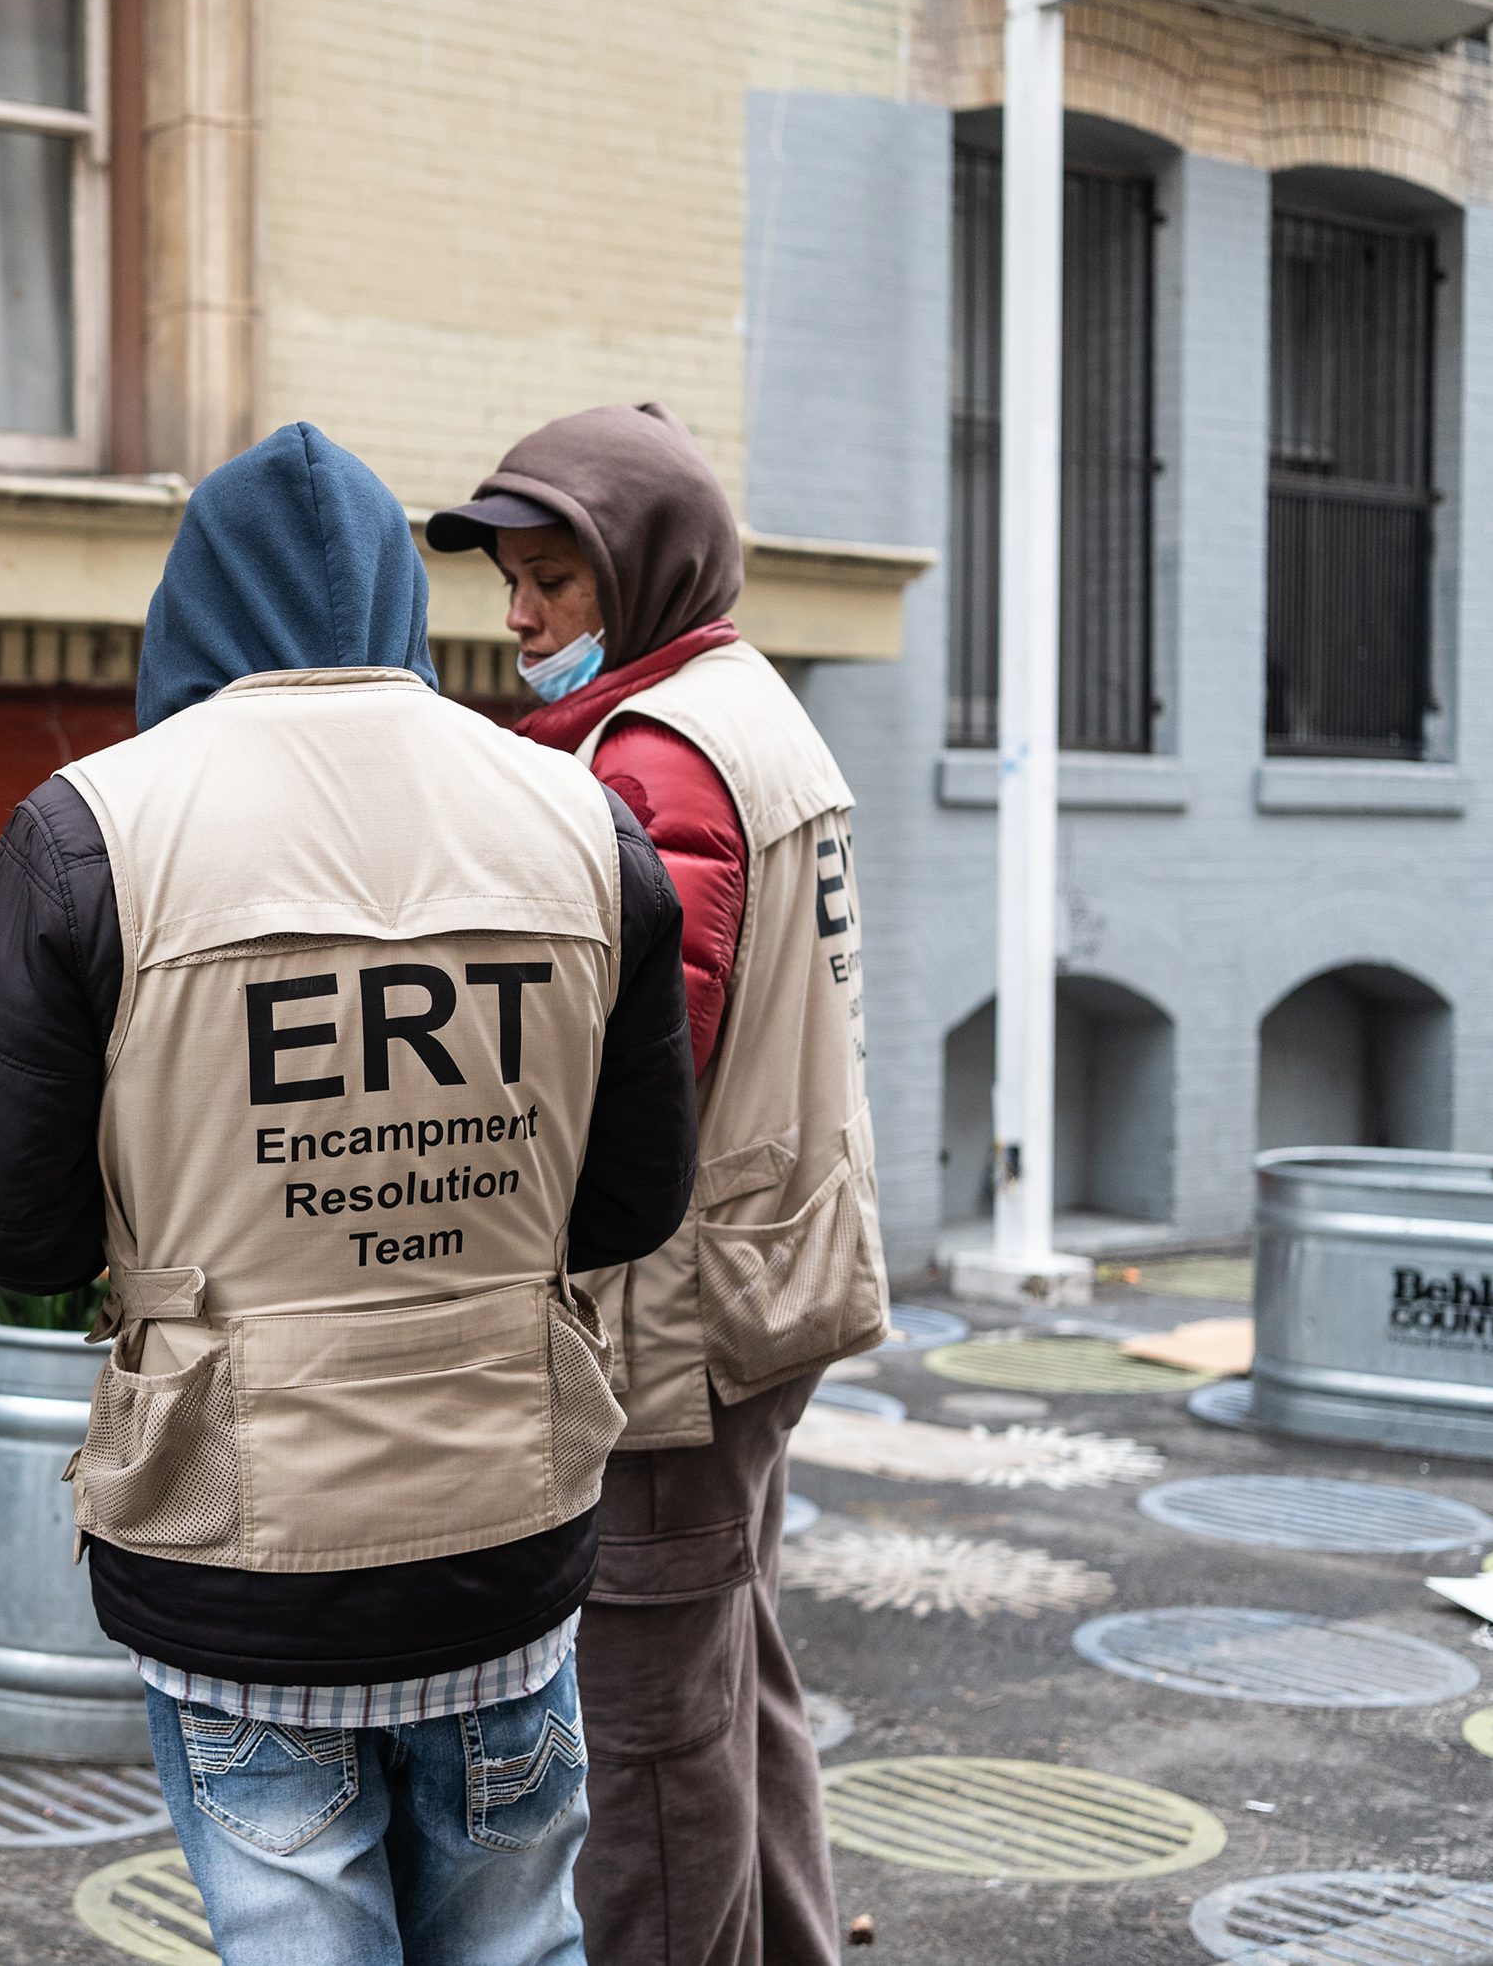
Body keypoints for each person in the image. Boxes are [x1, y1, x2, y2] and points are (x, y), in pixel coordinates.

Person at [0, 423, 699, 1966]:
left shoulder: (93, 826)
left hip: (237, 1546)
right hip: (501, 1515)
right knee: (516, 1941)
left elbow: (6, 1227)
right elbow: (631, 1203)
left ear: (187, 611)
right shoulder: (577, 816)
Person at [426, 402, 891, 1966]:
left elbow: (629, 1076)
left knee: (641, 1752)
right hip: (773, 1277)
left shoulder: (658, 759)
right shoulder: (746, 704)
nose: (518, 617)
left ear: (639, 570)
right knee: (733, 1684)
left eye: (551, 580)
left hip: (676, 1323)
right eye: (509, 579)